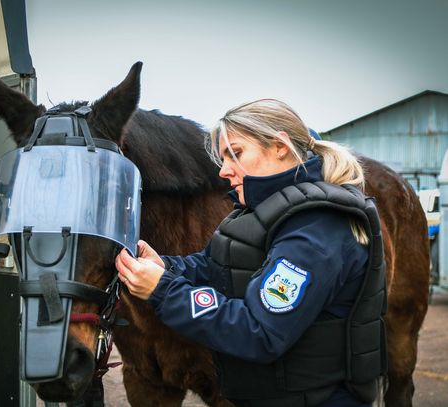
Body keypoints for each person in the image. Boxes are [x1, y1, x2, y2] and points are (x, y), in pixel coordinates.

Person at [115, 99, 386, 407]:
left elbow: (260, 332)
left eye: (236, 154)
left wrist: (163, 290)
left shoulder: (316, 229)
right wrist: (164, 265)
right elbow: (213, 264)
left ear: (280, 146)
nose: (224, 171)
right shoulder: (264, 211)